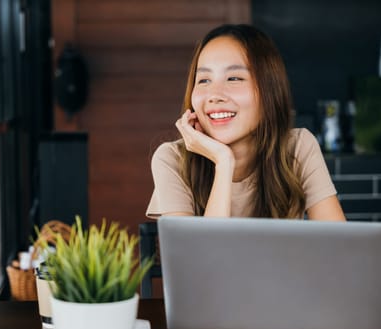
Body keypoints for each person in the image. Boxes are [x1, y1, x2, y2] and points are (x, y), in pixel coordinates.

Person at [146, 24, 345, 221]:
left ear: (269, 90)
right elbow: (196, 253)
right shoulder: (172, 159)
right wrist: (223, 162)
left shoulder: (297, 147)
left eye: (233, 78)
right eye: (204, 80)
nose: (214, 95)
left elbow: (340, 246)